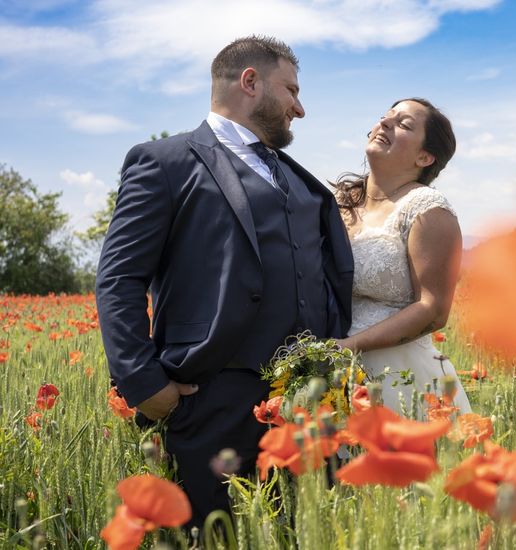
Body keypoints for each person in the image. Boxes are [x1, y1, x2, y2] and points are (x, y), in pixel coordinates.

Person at [95, 36, 353, 525]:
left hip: (305, 403)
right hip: (210, 398)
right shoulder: (165, 162)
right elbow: (119, 276)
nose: (300, 108)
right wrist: (144, 383)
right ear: (250, 82)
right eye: (292, 90)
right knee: (215, 534)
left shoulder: (300, 179)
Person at [332, 98, 471, 416]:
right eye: (385, 116)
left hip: (399, 379)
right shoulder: (338, 202)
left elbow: (433, 309)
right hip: (336, 375)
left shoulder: (428, 209)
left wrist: (349, 348)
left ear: (425, 156)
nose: (385, 123)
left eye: (404, 124)